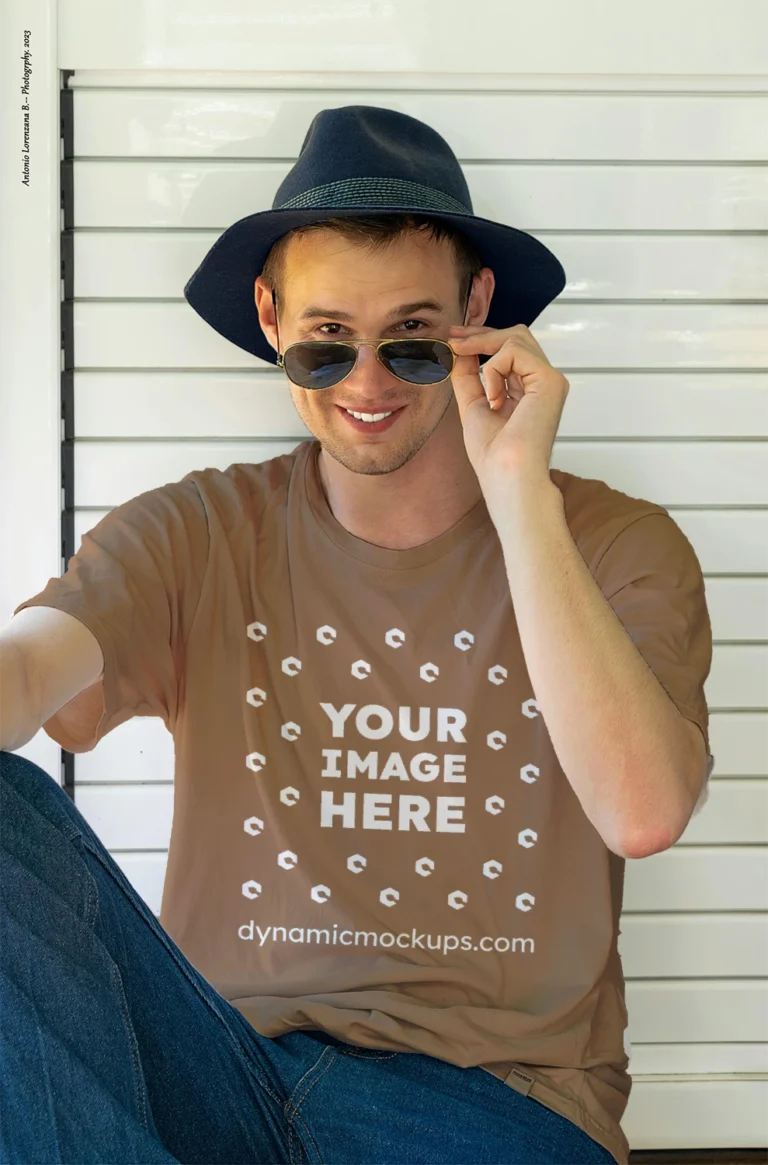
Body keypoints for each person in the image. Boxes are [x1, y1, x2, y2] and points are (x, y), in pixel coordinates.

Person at [0, 105, 713, 1165]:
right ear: (270, 317)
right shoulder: (200, 529)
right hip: (225, 1070)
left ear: (478, 312)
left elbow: (643, 810)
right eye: (327, 346)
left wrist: (516, 489)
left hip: (490, 1101)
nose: (370, 385)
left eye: (414, 344)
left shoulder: (615, 543)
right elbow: (33, 668)